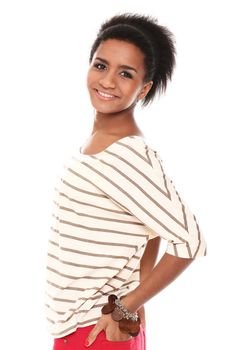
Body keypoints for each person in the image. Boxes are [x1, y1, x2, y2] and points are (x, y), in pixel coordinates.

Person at [44, 12, 207, 350]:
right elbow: (151, 226)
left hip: (94, 332)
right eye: (101, 66)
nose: (107, 81)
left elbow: (190, 241)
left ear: (143, 89)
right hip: (84, 330)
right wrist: (136, 301)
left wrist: (127, 305)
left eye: (126, 74)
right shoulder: (96, 144)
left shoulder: (127, 155)